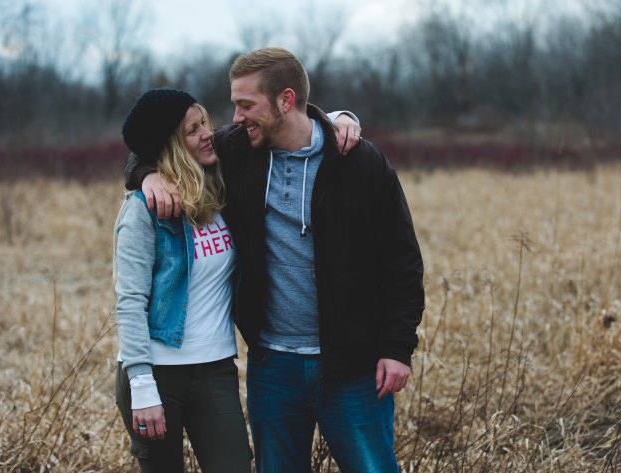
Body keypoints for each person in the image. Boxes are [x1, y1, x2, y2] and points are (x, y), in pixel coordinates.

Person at [126, 47, 424, 473]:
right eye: (234, 104)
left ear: (285, 100)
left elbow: (403, 263)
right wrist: (146, 173)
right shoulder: (236, 151)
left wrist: (397, 348)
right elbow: (161, 144)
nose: (236, 115)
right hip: (273, 367)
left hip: (353, 367)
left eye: (246, 105)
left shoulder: (359, 162)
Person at [113, 88, 253, 472]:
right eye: (193, 130)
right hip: (155, 373)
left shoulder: (222, 187)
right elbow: (130, 303)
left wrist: (342, 118)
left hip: (215, 367)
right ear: (172, 146)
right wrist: (142, 386)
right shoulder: (143, 211)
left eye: (204, 121)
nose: (208, 132)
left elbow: (282, 124)